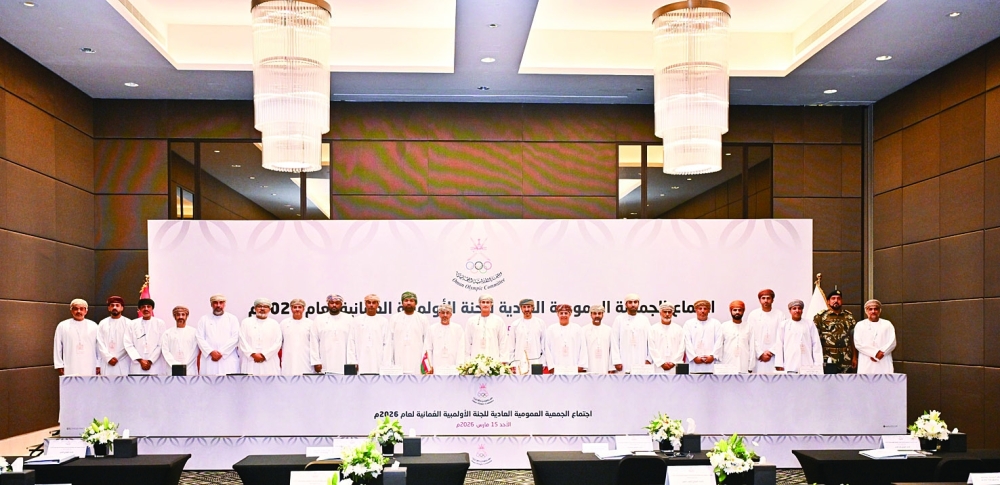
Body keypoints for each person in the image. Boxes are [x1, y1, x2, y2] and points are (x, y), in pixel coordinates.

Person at [814, 288, 857, 373]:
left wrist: (854, 357)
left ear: (842, 301)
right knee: (828, 383)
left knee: (846, 383)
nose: (836, 301)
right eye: (833, 299)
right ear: (828, 301)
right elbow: (815, 339)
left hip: (846, 357)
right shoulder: (820, 317)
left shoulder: (848, 316)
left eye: (838, 298)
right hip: (828, 357)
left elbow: (853, 337)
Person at [384, 291, 429, 374]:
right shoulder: (395, 318)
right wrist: (389, 361)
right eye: (406, 300)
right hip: (398, 359)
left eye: (411, 301)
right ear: (402, 303)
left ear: (415, 303)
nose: (408, 303)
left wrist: (426, 363)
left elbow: (427, 341)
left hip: (417, 360)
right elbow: (389, 341)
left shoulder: (422, 318)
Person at [196, 294, 241, 375]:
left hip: (227, 359)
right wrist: (211, 352)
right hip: (209, 359)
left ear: (224, 304)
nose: (218, 305)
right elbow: (199, 338)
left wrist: (221, 352)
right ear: (211, 305)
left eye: (221, 302)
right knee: (208, 384)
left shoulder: (232, 319)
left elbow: (235, 338)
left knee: (229, 384)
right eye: (215, 303)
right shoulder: (204, 319)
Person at [53, 298, 100, 376]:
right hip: (70, 365)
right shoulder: (62, 325)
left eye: (82, 309)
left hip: (90, 365)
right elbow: (57, 346)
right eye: (76, 309)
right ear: (71, 310)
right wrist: (59, 365)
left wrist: (99, 364)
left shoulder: (94, 326)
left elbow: (98, 347)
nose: (79, 311)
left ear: (86, 311)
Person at [124, 297, 168, 375]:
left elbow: (161, 344)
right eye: (143, 307)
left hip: (155, 365)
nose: (146, 309)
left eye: (148, 306)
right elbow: (128, 344)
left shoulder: (160, 323)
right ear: (140, 309)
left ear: (152, 309)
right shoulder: (132, 324)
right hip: (137, 365)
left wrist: (150, 361)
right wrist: (141, 360)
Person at [238, 298, 282, 375]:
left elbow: (277, 343)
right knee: (250, 384)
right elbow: (242, 341)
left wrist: (264, 355)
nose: (262, 309)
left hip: (269, 362)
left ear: (269, 309)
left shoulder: (274, 324)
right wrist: (253, 354)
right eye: (259, 306)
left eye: (265, 306)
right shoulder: (246, 322)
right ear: (255, 308)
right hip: (251, 361)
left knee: (269, 384)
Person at [747, 289, 785, 374]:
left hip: (774, 356)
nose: (766, 301)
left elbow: (782, 336)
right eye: (763, 298)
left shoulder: (780, 315)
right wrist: (760, 353)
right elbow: (751, 336)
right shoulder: (753, 315)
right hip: (758, 357)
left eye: (768, 298)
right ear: (759, 300)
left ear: (772, 300)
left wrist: (771, 351)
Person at [314, 294, 354, 374]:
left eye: (337, 303)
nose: (334, 305)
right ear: (328, 304)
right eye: (331, 303)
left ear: (341, 304)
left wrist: (353, 361)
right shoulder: (319, 319)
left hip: (345, 361)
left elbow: (353, 341)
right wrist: (316, 361)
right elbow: (314, 341)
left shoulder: (349, 319)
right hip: (325, 361)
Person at [854, 299, 896, 374]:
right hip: (866, 363)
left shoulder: (887, 324)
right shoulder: (860, 325)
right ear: (866, 311)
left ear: (880, 311)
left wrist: (882, 353)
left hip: (884, 361)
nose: (873, 311)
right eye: (870, 309)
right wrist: (874, 353)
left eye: (876, 309)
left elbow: (892, 342)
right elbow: (858, 344)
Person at [279, 298, 320, 375]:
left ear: (304, 309)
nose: (297, 309)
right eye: (295, 307)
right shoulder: (284, 323)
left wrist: (316, 361)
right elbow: (279, 343)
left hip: (306, 359)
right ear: (291, 309)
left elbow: (315, 344)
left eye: (299, 307)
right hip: (289, 359)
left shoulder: (310, 324)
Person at [349, 294, 388, 374]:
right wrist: (352, 362)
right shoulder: (356, 321)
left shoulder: (383, 321)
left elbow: (387, 344)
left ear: (378, 305)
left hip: (378, 361)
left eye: (374, 303)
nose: (371, 305)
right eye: (368, 302)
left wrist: (386, 364)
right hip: (360, 360)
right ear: (365, 304)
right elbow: (351, 342)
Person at [612, 293, 651, 373]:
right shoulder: (619, 319)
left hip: (641, 360)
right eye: (630, 302)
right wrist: (616, 361)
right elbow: (614, 341)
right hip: (624, 360)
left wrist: (649, 359)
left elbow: (650, 341)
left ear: (638, 304)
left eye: (635, 302)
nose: (633, 305)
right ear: (626, 304)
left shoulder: (644, 320)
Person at [781, 300, 823, 373]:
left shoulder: (809, 324)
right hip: (789, 363)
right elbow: (779, 344)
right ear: (790, 311)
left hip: (807, 363)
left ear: (802, 310)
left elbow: (816, 344)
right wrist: (780, 364)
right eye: (794, 308)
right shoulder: (784, 325)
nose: (797, 311)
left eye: (799, 308)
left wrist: (818, 364)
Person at [544, 304, 587, 373]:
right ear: (558, 314)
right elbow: (547, 349)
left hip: (574, 367)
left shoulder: (577, 329)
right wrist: (551, 366)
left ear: (570, 314)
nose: (563, 315)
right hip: (556, 368)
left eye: (566, 313)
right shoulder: (551, 329)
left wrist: (581, 365)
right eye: (561, 313)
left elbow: (583, 348)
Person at [424, 303, 466, 374]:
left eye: (447, 313)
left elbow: (461, 349)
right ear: (439, 314)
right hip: (436, 366)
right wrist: (429, 366)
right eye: (443, 313)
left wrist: (460, 366)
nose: (445, 315)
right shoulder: (432, 329)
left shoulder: (457, 328)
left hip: (453, 367)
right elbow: (428, 348)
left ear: (451, 315)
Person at [684, 300, 723, 373]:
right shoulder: (688, 324)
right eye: (700, 308)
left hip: (711, 363)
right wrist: (694, 357)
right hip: (694, 363)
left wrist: (712, 356)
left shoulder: (716, 323)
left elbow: (719, 341)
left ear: (709, 310)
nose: (702, 311)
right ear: (695, 310)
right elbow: (687, 342)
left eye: (705, 308)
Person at [465, 293, 507, 362]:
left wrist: (503, 360)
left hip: (494, 361)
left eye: (487, 302)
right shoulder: (471, 321)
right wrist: (467, 360)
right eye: (483, 302)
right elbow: (467, 341)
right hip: (475, 361)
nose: (485, 304)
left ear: (491, 304)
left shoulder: (498, 320)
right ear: (479, 304)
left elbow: (503, 341)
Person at [97, 296, 132, 376]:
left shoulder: (129, 323)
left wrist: (117, 357)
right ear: (109, 308)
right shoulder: (102, 323)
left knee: (123, 386)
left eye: (117, 305)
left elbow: (129, 343)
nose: (114, 307)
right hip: (106, 361)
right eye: (112, 305)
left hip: (123, 361)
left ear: (122, 308)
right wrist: (108, 358)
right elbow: (100, 342)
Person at [648, 302, 685, 374]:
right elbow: (652, 348)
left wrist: (674, 362)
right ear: (660, 313)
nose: (667, 314)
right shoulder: (653, 329)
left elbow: (682, 348)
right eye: (665, 312)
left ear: (672, 313)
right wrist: (661, 363)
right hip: (658, 366)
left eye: (669, 312)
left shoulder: (679, 329)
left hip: (674, 366)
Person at [160, 306, 199, 375]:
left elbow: (195, 351)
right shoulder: (167, 333)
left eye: (183, 314)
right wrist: (175, 365)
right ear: (174, 316)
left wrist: (185, 365)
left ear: (187, 316)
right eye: (178, 315)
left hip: (189, 369)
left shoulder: (194, 332)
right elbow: (165, 351)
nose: (180, 317)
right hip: (172, 368)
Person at [582, 304, 620, 374]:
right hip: (589, 366)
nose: (597, 316)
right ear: (591, 315)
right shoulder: (584, 330)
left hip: (604, 366)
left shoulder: (609, 330)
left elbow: (612, 350)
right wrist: (583, 366)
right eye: (594, 313)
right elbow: (582, 351)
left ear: (603, 315)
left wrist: (611, 367)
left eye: (599, 313)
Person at [509, 298, 545, 369]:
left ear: (532, 308)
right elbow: (511, 346)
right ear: (521, 308)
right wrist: (512, 363)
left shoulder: (540, 323)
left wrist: (543, 362)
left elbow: (543, 344)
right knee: (519, 380)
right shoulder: (515, 324)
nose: (526, 309)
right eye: (524, 307)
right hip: (519, 361)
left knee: (536, 380)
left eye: (528, 307)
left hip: (536, 361)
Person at [720, 300, 754, 373]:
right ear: (731, 311)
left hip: (744, 364)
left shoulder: (749, 327)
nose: (737, 312)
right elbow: (719, 347)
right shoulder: (724, 326)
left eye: (740, 310)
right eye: (735, 310)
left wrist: (751, 366)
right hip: (727, 363)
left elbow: (752, 347)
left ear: (743, 311)